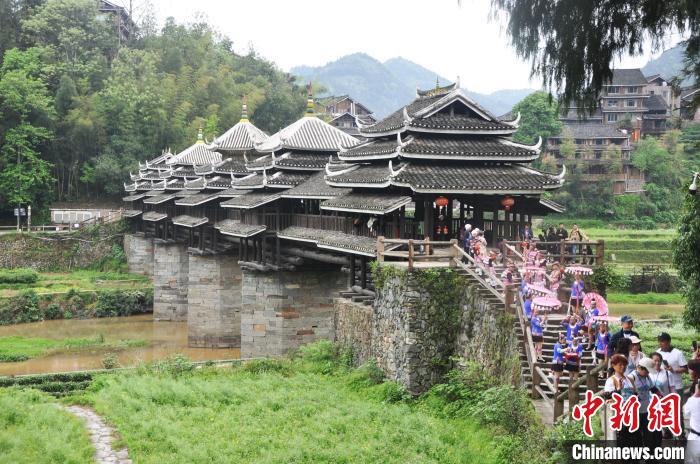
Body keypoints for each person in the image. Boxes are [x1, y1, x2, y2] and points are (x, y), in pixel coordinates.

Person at [605, 354, 640, 448]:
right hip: (620, 415)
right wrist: (618, 389)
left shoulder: (629, 379)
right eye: (620, 365)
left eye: (624, 364)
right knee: (623, 439)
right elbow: (608, 396)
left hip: (632, 413)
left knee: (634, 440)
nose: (623, 367)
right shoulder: (611, 380)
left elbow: (635, 394)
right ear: (613, 365)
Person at [657, 332, 688, 400]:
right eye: (659, 341)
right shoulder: (657, 352)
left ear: (669, 341)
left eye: (662, 341)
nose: (660, 343)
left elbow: (685, 369)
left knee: (677, 408)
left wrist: (673, 370)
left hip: (676, 386)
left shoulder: (678, 353)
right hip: (662, 387)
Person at [684, 359, 700, 463]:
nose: (688, 371)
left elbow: (686, 411)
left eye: (690, 369)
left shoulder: (694, 400)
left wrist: (695, 395)